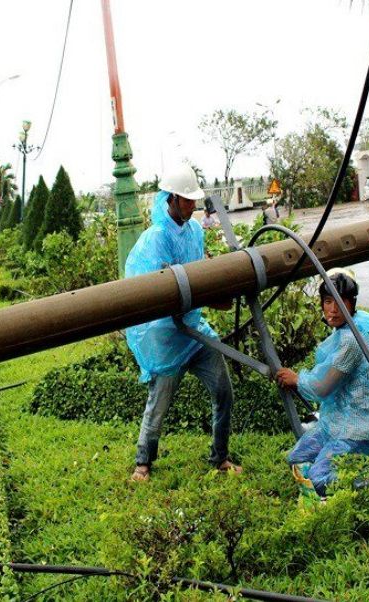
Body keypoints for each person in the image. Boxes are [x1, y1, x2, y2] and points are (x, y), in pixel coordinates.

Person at [125, 164, 242, 482]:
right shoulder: (155, 239)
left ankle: (220, 457)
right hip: (167, 335)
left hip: (194, 330)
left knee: (223, 393)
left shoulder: (195, 231)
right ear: (172, 199)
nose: (192, 206)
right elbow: (161, 290)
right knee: (158, 405)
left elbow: (199, 271)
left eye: (194, 201)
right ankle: (143, 462)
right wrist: (206, 298)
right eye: (187, 200)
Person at [275, 269, 369, 499]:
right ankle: (330, 489)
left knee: (319, 478)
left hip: (357, 430)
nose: (333, 309)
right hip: (336, 423)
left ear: (352, 304)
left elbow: (322, 388)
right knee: (296, 459)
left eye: (340, 301)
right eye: (328, 301)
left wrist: (297, 379)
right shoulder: (342, 333)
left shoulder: (351, 341)